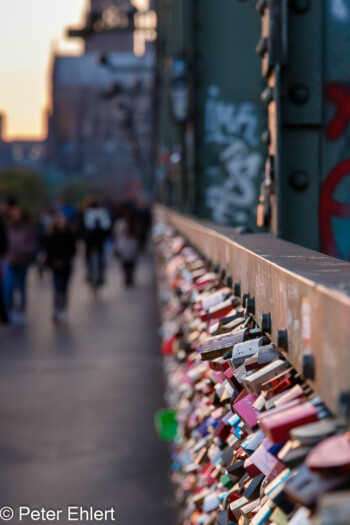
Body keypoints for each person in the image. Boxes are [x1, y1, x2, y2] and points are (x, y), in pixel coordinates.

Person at [3, 206, 37, 325]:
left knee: (21, 287)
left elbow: (33, 243)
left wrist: (26, 250)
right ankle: (11, 310)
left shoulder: (27, 229)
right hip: (10, 261)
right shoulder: (8, 228)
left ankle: (21, 311)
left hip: (23, 261)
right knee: (9, 287)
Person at [45, 213, 76, 324]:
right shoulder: (51, 235)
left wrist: (64, 261)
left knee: (64, 289)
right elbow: (48, 250)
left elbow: (73, 250)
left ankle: (63, 309)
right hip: (55, 266)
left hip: (66, 265)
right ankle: (56, 309)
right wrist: (52, 262)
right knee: (57, 288)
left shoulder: (70, 234)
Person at [82, 199, 111, 285]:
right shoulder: (103, 212)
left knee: (88, 258)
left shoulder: (87, 213)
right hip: (100, 240)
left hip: (90, 241)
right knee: (102, 258)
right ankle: (101, 276)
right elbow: (107, 226)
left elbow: (83, 227)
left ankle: (89, 274)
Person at [113, 209, 140, 287]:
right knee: (131, 263)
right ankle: (130, 276)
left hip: (123, 245)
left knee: (124, 263)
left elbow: (115, 233)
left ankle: (127, 277)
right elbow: (138, 233)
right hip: (133, 245)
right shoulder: (134, 223)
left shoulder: (120, 223)